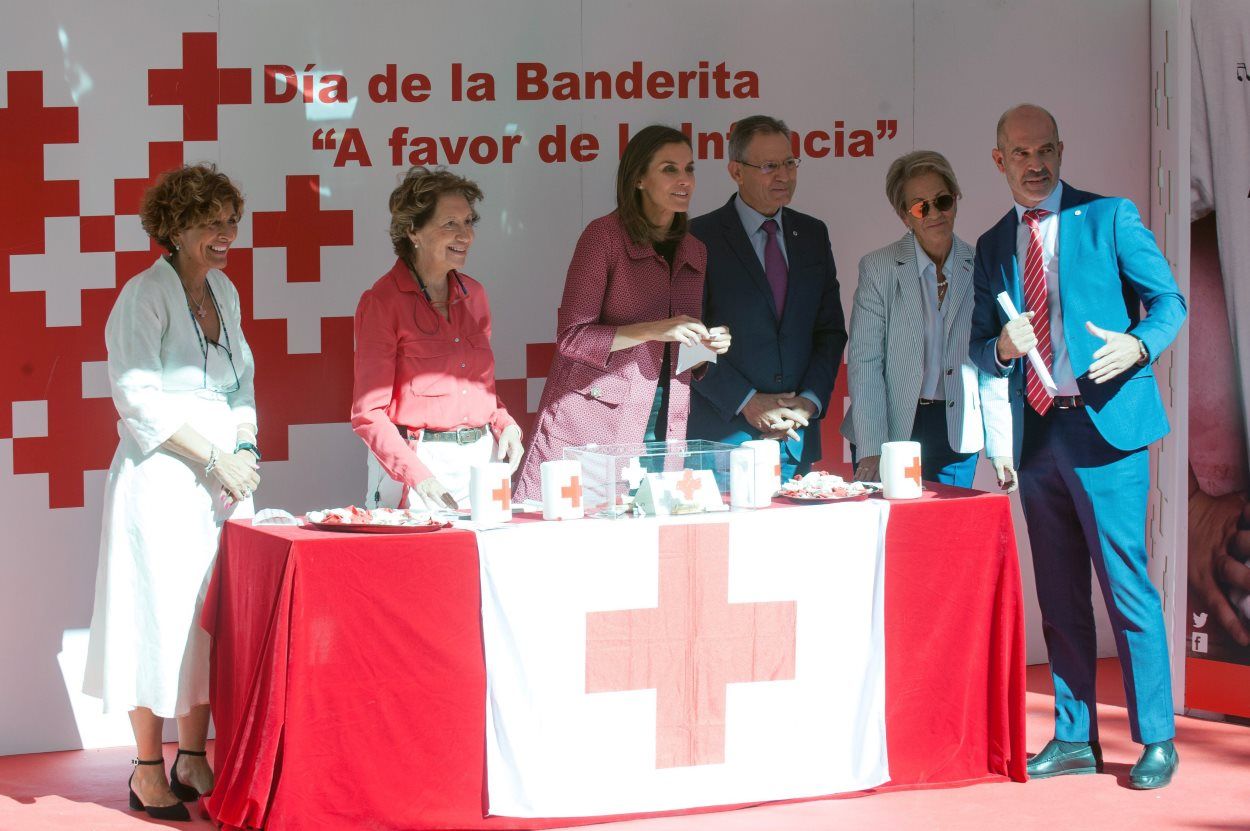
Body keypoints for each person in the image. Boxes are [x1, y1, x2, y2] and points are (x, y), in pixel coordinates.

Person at [969, 104, 1187, 789]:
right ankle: (1072, 735)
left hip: (1107, 430)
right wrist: (1003, 347)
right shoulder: (994, 242)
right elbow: (982, 343)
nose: (1036, 164)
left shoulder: (1111, 216)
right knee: (1059, 594)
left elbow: (1170, 302)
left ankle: (1156, 737)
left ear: (1060, 151)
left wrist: (1139, 343)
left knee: (1127, 587)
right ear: (998, 160)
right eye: (1021, 153)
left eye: (1046, 150)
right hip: (1038, 435)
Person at [83, 164, 261, 821]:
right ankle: (147, 766)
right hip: (160, 481)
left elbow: (241, 382)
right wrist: (215, 455)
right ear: (175, 228)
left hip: (219, 486)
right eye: (210, 223)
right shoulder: (142, 295)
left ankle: (192, 754)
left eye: (230, 222)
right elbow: (137, 402)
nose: (225, 235)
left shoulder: (226, 293)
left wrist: (243, 449)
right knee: (153, 616)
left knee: (206, 616)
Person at [516, 125, 730, 500]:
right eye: (669, 169)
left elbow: (678, 348)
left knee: (649, 535)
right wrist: (654, 329)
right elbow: (572, 338)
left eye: (689, 169)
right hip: (597, 414)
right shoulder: (603, 237)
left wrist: (706, 344)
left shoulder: (695, 249)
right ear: (639, 179)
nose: (684, 180)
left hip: (668, 413)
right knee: (584, 535)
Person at [352, 166, 523, 510]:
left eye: (469, 222)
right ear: (413, 231)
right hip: (419, 466)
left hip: (483, 463)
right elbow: (368, 413)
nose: (466, 235)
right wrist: (418, 475)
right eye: (450, 224)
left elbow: (478, 389)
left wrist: (506, 424)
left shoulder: (475, 295)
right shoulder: (383, 302)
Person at [687, 115, 846, 481]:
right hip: (725, 441)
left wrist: (808, 402)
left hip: (795, 437)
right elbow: (686, 343)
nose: (785, 176)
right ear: (736, 171)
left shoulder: (812, 234)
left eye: (790, 163)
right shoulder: (698, 238)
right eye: (769, 166)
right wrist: (747, 402)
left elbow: (829, 331)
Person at [842, 150, 1011, 487]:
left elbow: (990, 365)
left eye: (942, 200)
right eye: (920, 206)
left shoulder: (981, 267)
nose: (934, 213)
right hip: (888, 424)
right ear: (905, 216)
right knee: (890, 535)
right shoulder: (879, 268)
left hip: (957, 429)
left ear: (956, 201)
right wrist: (873, 447)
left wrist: (1001, 448)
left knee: (947, 535)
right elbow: (865, 362)